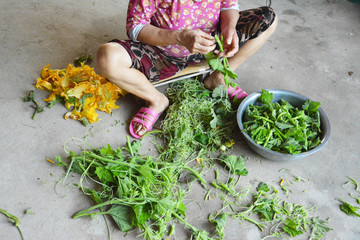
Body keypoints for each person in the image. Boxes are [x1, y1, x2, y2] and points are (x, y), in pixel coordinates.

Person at [97, 0, 278, 139]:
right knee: (108, 57)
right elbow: (135, 27)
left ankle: (218, 77)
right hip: (162, 54)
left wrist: (228, 29)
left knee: (269, 19)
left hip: (212, 47)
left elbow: (229, 5)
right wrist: (179, 37)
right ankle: (156, 100)